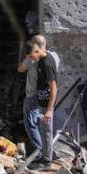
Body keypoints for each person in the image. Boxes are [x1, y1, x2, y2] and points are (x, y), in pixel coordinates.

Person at [16, 35, 61, 163]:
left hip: (35, 96)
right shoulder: (53, 55)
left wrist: (50, 109)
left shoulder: (37, 60)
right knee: (43, 127)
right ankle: (48, 152)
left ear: (37, 48)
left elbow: (20, 69)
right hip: (42, 96)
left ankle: (43, 154)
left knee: (33, 124)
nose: (31, 57)